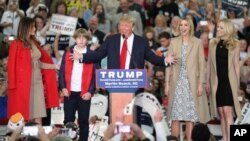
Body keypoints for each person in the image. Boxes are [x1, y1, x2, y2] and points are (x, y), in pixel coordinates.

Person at [73, 15, 176, 127]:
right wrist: (83, 57)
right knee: (115, 117)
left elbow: (152, 57)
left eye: (126, 25)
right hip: (114, 84)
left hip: (134, 85)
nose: (123, 28)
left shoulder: (141, 42)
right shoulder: (111, 40)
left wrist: (165, 60)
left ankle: (135, 137)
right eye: (121, 25)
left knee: (134, 117)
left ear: (132, 27)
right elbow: (98, 54)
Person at [165, 17, 210, 141]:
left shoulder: (197, 42)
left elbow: (202, 64)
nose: (183, 27)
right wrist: (167, 84)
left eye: (186, 25)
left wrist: (201, 83)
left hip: (192, 84)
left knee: (191, 117)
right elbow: (168, 63)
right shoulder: (173, 42)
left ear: (190, 27)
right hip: (177, 83)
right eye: (181, 25)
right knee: (175, 116)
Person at [7, 17, 59, 124]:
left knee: (39, 113)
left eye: (35, 26)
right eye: (32, 26)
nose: (35, 28)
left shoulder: (34, 43)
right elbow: (11, 66)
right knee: (24, 116)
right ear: (26, 28)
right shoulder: (16, 44)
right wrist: (12, 86)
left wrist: (54, 67)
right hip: (23, 85)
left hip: (37, 82)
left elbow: (38, 64)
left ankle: (39, 137)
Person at [59, 28, 99, 141]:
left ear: (87, 39)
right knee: (68, 121)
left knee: (83, 122)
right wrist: (62, 88)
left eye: (84, 37)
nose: (81, 40)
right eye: (79, 37)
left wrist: (90, 92)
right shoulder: (68, 53)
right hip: (69, 93)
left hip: (84, 93)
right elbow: (61, 72)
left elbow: (96, 75)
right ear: (75, 39)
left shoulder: (92, 55)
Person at [206, 19, 241, 141]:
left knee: (227, 111)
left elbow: (236, 65)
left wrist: (237, 85)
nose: (218, 30)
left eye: (221, 28)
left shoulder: (235, 44)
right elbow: (209, 64)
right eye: (218, 28)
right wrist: (208, 82)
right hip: (217, 81)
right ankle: (225, 138)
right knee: (221, 112)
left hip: (229, 81)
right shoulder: (212, 43)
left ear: (227, 29)